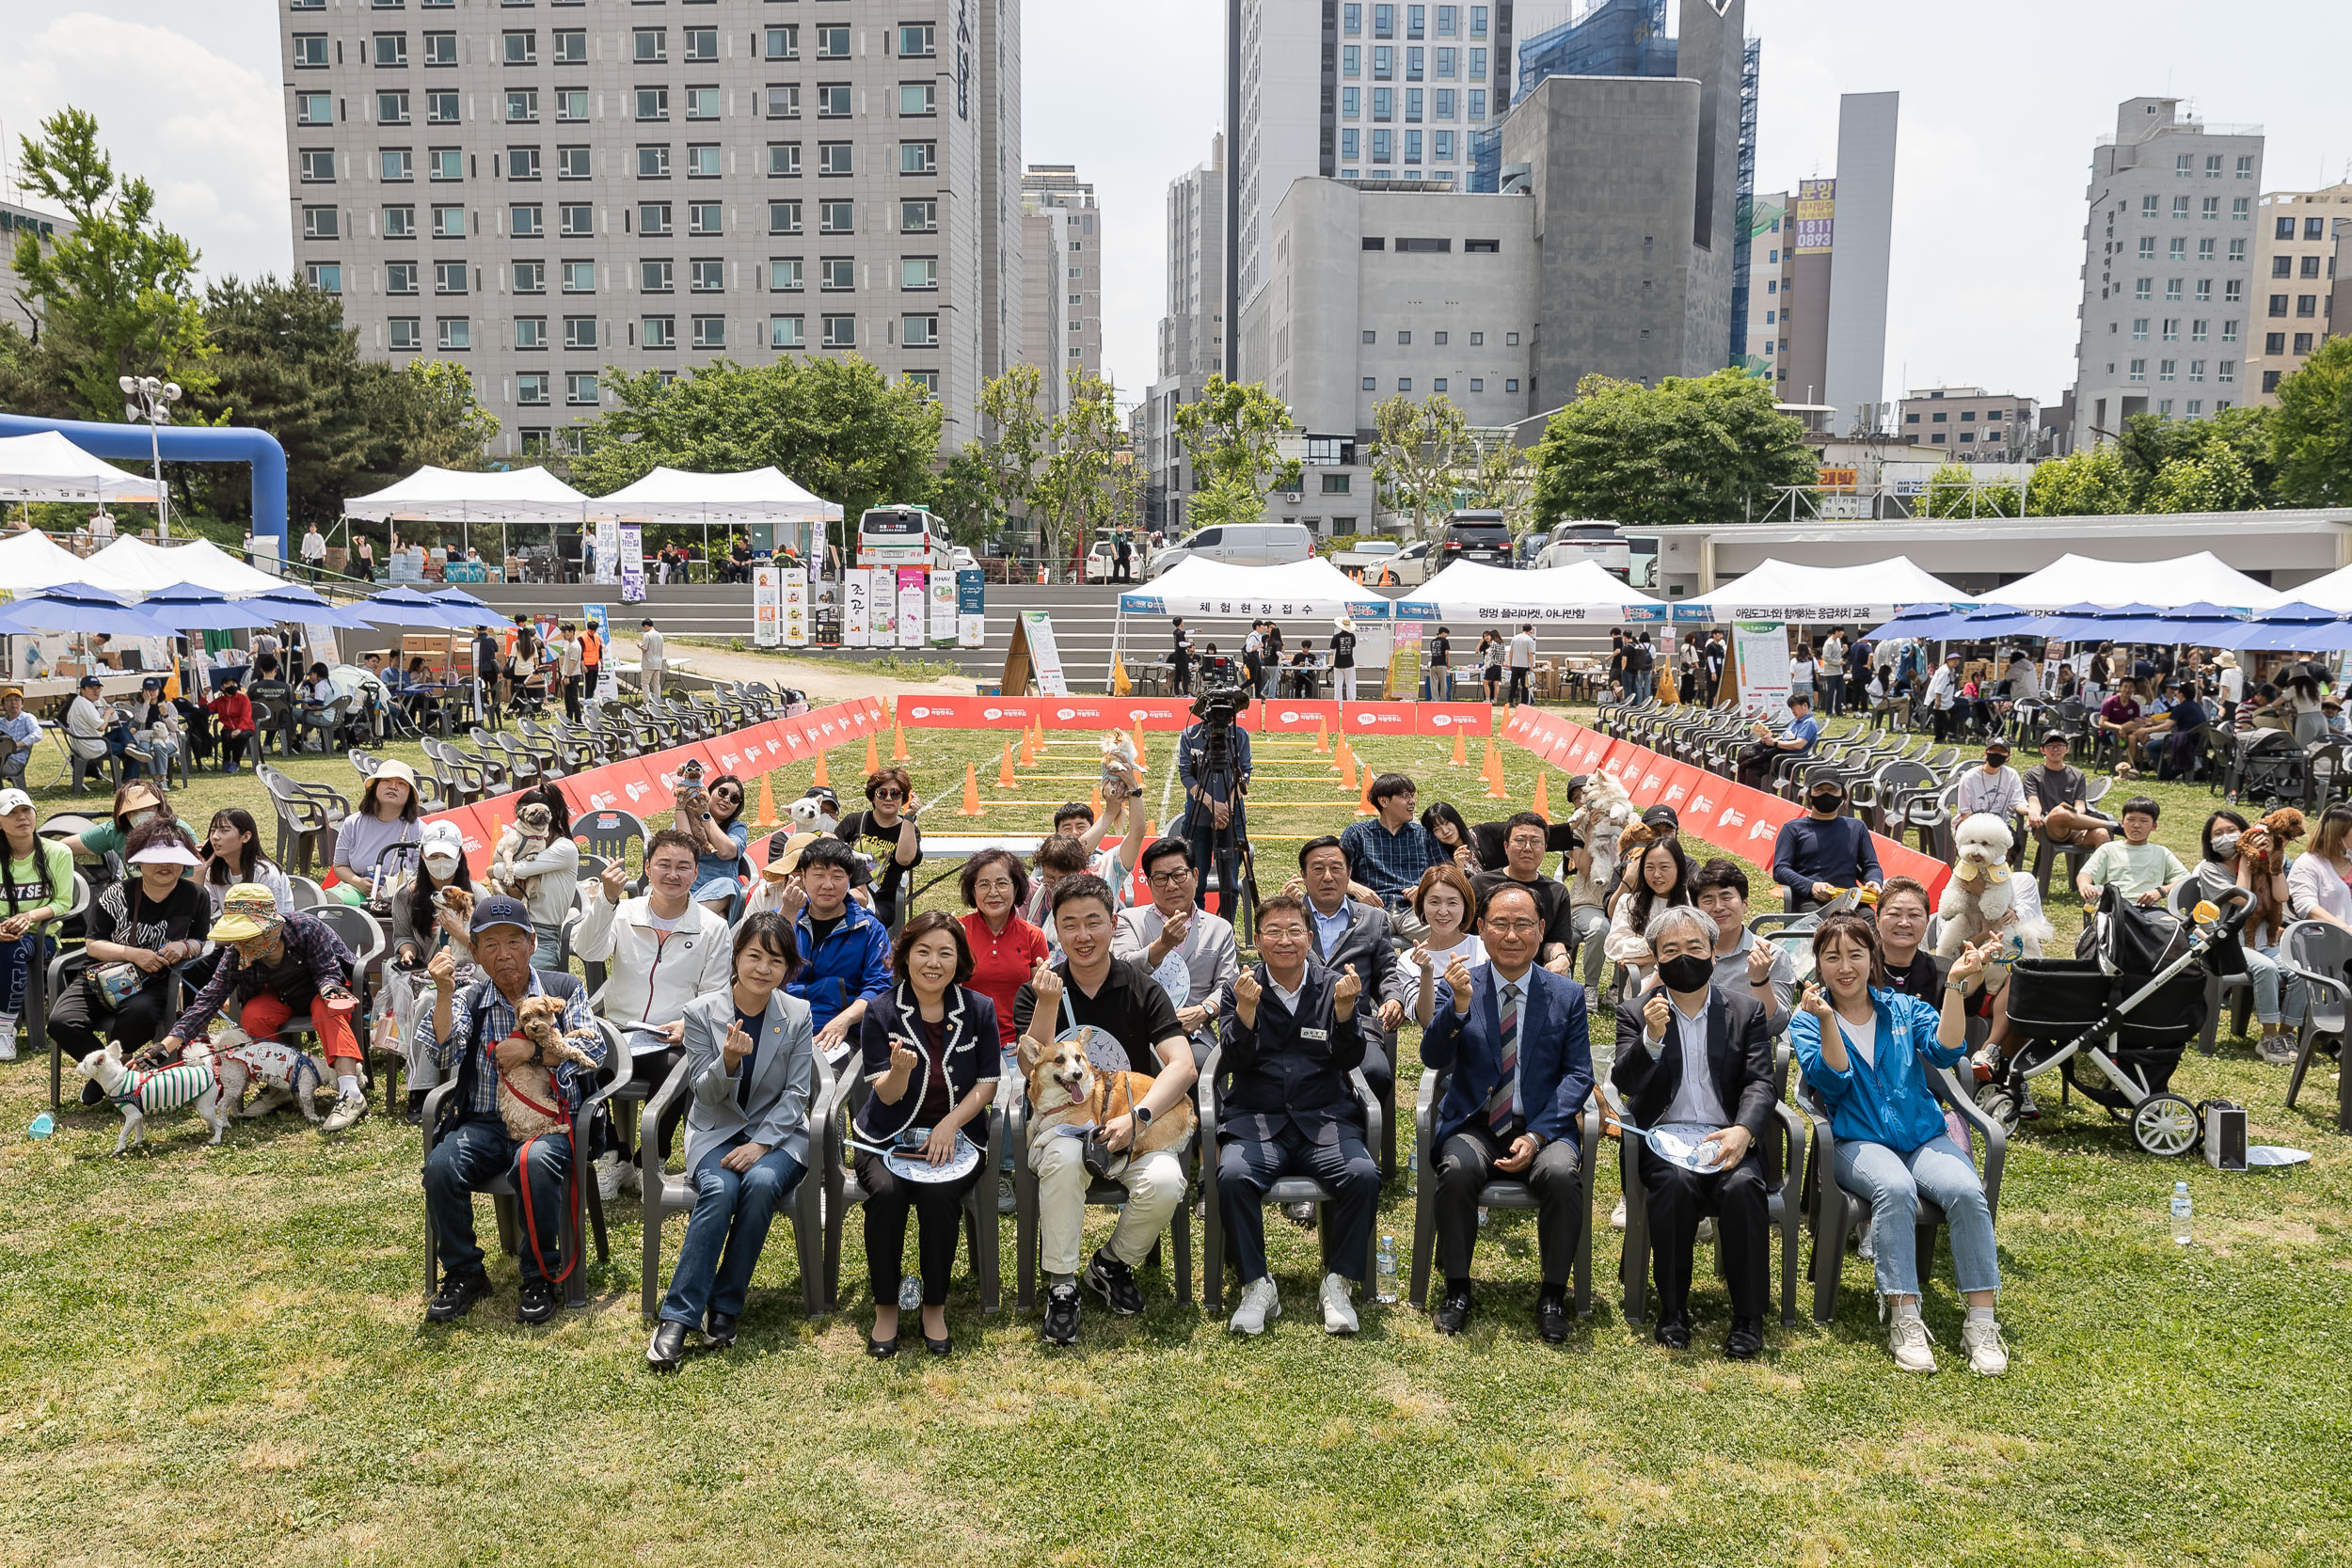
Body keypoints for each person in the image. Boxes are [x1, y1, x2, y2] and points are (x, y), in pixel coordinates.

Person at [1788, 914, 2009, 1376]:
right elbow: (1832, 1078)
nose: (1844, 967)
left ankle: (1982, 1323)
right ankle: (1904, 1316)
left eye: (1855, 955)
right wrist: (1828, 1020)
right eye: (1832, 957)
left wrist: (1953, 986)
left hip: (1922, 1135)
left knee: (1967, 1192)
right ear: (1819, 965)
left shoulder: (1903, 1008)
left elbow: (1947, 1050)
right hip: (1856, 1141)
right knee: (1895, 1189)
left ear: (1873, 959)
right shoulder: (1808, 1020)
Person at [1012, 873, 1199, 1345]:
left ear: (1113, 924)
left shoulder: (1142, 988)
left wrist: (1138, 1119)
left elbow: (1182, 1067)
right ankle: (1062, 1285)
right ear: (1056, 930)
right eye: (1069, 924)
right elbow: (1029, 1065)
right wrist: (1049, 1002)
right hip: (1061, 1133)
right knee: (1063, 1156)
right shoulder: (1038, 989)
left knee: (1165, 1181)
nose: (1082, 935)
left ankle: (1110, 1264)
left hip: (1131, 1129)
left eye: (1093, 922)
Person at [419, 895, 607, 1326]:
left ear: (532, 941)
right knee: (442, 1165)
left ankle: (540, 1276)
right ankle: (464, 1273)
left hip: (550, 1123)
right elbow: (443, 1045)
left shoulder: (564, 988)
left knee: (533, 1162)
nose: (503, 955)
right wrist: (443, 994)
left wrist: (533, 1051)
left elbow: (593, 1045)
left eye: (513, 942)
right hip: (485, 1122)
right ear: (476, 952)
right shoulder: (471, 996)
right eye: (490, 945)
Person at [644, 911, 818, 1370]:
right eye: (754, 956)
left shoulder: (797, 1014)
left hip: (779, 1137)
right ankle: (678, 1318)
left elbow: (799, 1092)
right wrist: (728, 1061)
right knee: (721, 1189)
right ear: (736, 956)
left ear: (788, 968)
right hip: (715, 1132)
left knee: (761, 1183)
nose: (763, 969)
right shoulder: (702, 1012)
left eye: (775, 961)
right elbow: (703, 1092)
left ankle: (725, 1305)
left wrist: (762, 1144)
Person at [1422, 881, 1592, 1341]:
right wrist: (1456, 1009)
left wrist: (1536, 1136)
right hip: (1476, 1124)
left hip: (1544, 1129)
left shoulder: (1566, 995)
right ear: (1482, 928)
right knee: (1456, 1170)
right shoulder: (1460, 983)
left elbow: (1578, 1076)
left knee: (1561, 1175)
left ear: (1541, 931)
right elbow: (1433, 1058)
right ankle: (1458, 1287)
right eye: (1500, 924)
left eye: (1523, 925)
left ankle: (1554, 1292)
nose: (1511, 935)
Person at [1214, 893, 1379, 1338]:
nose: (1284, 940)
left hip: (1324, 1120)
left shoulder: (1334, 985)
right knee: (1231, 1176)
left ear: (1309, 938)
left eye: (1293, 932)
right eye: (1273, 931)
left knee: (1363, 1174)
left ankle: (1338, 1281)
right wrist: (1245, 1013)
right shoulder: (1239, 988)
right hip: (1257, 1120)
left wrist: (1346, 1014)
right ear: (1258, 940)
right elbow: (1233, 1061)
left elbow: (1350, 1058)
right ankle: (1256, 1283)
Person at [1613, 904, 1775, 1356]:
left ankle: (1748, 1317)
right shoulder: (1636, 1012)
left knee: (1743, 1188)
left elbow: (1761, 1081)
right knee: (1674, 1186)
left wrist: (1743, 1131)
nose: (1684, 956)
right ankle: (1672, 1309)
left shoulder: (1744, 1011)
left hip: (1727, 1138)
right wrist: (1650, 1037)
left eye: (1694, 947)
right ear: (1657, 959)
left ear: (1711, 952)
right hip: (1666, 1142)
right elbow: (1625, 1084)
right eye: (1671, 950)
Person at [852, 911, 1000, 1357]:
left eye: (945, 953)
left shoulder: (978, 1009)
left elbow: (988, 1082)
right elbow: (888, 1096)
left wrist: (950, 1124)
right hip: (886, 1137)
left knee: (940, 1198)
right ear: (905, 955)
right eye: (923, 951)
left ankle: (934, 1305)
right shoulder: (880, 1011)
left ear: (960, 960)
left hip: (957, 1137)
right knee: (886, 1192)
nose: (933, 962)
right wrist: (898, 1071)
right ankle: (886, 1306)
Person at [573, 829, 735, 1187]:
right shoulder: (624, 912)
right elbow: (589, 951)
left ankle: (652, 1161)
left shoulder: (713, 928)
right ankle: (613, 1154)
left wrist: (685, 1024)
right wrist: (606, 901)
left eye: (683, 867)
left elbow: (716, 992)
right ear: (647, 868)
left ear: (696, 874)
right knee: (580, 1062)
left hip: (671, 1035)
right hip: (620, 1030)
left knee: (678, 1068)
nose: (673, 874)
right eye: (663, 864)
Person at [160, 884, 368, 1132]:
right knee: (254, 1014)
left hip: (322, 990)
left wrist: (329, 989)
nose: (243, 943)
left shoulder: (307, 928)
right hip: (282, 996)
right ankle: (278, 1086)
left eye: (249, 934)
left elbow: (327, 972)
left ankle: (350, 1093)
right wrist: (165, 1046)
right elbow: (208, 999)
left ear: (272, 925)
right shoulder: (235, 954)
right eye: (239, 936)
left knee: (328, 1010)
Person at [49, 820, 209, 1074]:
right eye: (155, 859)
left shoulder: (197, 896)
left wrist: (183, 947)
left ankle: (113, 1074)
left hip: (153, 981)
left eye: (173, 858)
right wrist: (132, 954)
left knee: (140, 1012)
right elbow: (93, 945)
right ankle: (113, 1075)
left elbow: (201, 940)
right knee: (61, 1022)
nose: (165, 866)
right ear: (138, 862)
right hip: (100, 975)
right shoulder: (115, 894)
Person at [1293, 836, 1408, 1123]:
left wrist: (1393, 997)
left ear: (1349, 873)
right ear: (1304, 877)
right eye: (1317, 869)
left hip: (1357, 1025)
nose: (1328, 877)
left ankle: (1352, 1134)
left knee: (1376, 1074)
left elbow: (1387, 971)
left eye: (1336, 868)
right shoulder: (1289, 918)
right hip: (1298, 1025)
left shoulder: (1373, 919)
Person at [2185, 810, 2303, 1065]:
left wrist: (2273, 859)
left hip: (2265, 941)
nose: (2225, 837)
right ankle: (2268, 1036)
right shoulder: (2210, 869)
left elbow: (2282, 897)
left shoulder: (2267, 860)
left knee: (2300, 970)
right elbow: (2243, 898)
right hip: (2229, 943)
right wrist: (2249, 860)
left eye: (2231, 830)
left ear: (2244, 830)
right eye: (2218, 834)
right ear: (2210, 841)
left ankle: (2286, 1034)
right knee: (2266, 968)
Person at [1112, 837, 1240, 1069]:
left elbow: (1228, 985)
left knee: (1199, 1064)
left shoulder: (1219, 928)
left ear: (1196, 876)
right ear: (1149, 884)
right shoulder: (1129, 920)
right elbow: (1122, 969)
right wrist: (1163, 944)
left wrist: (1204, 1010)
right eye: (1160, 878)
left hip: (1193, 1032)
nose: (1171, 886)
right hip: (1139, 1029)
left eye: (1179, 875)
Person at [773, 836, 894, 1054]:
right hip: (778, 1026)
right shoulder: (781, 918)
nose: (827, 885)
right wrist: (786, 917)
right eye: (818, 875)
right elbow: (759, 969)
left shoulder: (870, 929)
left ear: (849, 879)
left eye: (837, 876)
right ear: (802, 877)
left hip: (840, 1033)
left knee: (822, 1083)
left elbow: (879, 987)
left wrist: (844, 1020)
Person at [958, 847, 1050, 1068]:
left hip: (1015, 1049)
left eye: (1001, 883)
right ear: (973, 890)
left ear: (1016, 887)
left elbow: (1041, 1000)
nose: (993, 892)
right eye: (983, 885)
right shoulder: (957, 931)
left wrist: (1026, 1042)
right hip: (967, 1044)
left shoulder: (1033, 936)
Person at [0, 788, 73, 1059]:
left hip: (40, 935)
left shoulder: (58, 852)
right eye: (12, 813)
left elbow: (63, 903)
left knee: (12, 948)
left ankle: (4, 1029)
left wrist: (28, 917)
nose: (22, 818)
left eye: (26, 811)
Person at [1689, 859, 1796, 1033]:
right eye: (1708, 900)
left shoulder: (1772, 955)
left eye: (1726, 897)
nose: (1718, 907)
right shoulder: (1684, 953)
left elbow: (1778, 1024)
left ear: (1745, 904)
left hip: (1745, 1049)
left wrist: (1760, 980)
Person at [1340, 773, 1451, 936]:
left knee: (1446, 931)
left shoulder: (1423, 835)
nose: (1412, 801)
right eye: (1405, 796)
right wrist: (1354, 888)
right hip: (1373, 909)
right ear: (1384, 801)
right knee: (1358, 936)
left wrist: (1425, 888)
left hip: (1415, 910)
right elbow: (1335, 873)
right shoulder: (1357, 834)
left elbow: (1446, 872)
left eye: (1413, 796)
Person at [1471, 810, 1581, 975]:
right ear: (1506, 846)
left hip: (1533, 973)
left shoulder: (1557, 893)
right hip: (1484, 967)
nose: (1527, 848)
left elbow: (1554, 942)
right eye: (1520, 840)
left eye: (1535, 842)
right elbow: (1466, 935)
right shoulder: (1479, 884)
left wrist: (1561, 957)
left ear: (1545, 848)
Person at [1177, 691, 1252, 913]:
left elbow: (1245, 774)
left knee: (1230, 883)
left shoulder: (1240, 736)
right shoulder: (1190, 735)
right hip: (1198, 818)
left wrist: (1226, 807)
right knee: (1195, 881)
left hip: (1232, 818)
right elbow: (1186, 776)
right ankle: (1195, 931)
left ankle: (1226, 932)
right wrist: (1212, 805)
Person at [1771, 776, 1882, 913]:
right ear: (1810, 795)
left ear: (1842, 795)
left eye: (1832, 790)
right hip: (1810, 900)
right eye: (1819, 790)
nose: (1826, 794)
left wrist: (1874, 880)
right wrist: (1811, 886)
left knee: (1868, 918)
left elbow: (1871, 866)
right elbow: (1780, 869)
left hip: (1850, 898)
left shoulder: (1857, 827)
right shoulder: (1792, 829)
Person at [502, 784, 580, 969]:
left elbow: (514, 870)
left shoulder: (564, 848)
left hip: (544, 937)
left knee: (522, 981)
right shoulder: (524, 843)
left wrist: (501, 869)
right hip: (511, 930)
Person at [1399, 863, 1487, 1026]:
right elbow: (1427, 1022)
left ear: (1465, 906)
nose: (1443, 911)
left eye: (1452, 903)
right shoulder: (1408, 961)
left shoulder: (1484, 948)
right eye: (1434, 902)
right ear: (1422, 905)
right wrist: (1426, 972)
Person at [1603, 837, 1694, 993]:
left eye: (1664, 867)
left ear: (1679, 868)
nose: (1656, 874)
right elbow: (1614, 945)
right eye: (1650, 867)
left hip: (1688, 980)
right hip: (1644, 983)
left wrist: (1647, 958)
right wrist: (1654, 947)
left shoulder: (1692, 902)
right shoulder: (1630, 902)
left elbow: (1696, 950)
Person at [838, 767, 923, 929]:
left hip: (882, 902)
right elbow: (832, 849)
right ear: (873, 796)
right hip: (849, 891)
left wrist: (909, 817)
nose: (889, 798)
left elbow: (904, 860)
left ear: (903, 798)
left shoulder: (908, 829)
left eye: (896, 793)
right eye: (882, 793)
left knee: (859, 918)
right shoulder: (855, 821)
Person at [331, 758, 423, 897]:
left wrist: (389, 893)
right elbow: (339, 866)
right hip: (358, 897)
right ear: (374, 788)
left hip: (401, 901)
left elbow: (422, 878)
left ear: (409, 794)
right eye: (386, 781)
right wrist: (358, 882)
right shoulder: (352, 823)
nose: (393, 786)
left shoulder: (419, 830)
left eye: (401, 783)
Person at [2076, 796, 2186, 910]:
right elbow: (2086, 874)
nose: (2136, 825)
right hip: (2116, 910)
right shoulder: (2108, 849)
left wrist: (2161, 891)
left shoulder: (2161, 852)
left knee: (2175, 926)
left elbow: (2185, 880)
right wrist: (2085, 885)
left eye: (2143, 821)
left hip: (2150, 910)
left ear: (2154, 826)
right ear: (2122, 822)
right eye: (2131, 820)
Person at [2023, 732, 2111, 853]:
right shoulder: (2032, 775)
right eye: (2050, 746)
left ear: (2067, 749)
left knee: (2102, 833)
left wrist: (2072, 818)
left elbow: (2080, 805)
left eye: (2060, 745)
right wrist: (2035, 814)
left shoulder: (2078, 775)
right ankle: (2112, 825)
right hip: (2047, 826)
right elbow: (2034, 801)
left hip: (2074, 827)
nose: (2055, 749)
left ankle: (2098, 871)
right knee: (2059, 812)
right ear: (2042, 750)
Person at [681, 772, 752, 916]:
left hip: (720, 891)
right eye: (723, 792)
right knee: (719, 918)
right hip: (687, 888)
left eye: (734, 798)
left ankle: (685, 922)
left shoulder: (737, 828)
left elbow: (726, 851)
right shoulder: (688, 820)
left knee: (728, 885)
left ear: (737, 806)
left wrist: (705, 817)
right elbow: (676, 849)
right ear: (709, 792)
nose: (726, 799)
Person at [1871, 877, 1945, 1000]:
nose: (1904, 923)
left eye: (1914, 915)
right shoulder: (1857, 968)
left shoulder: (1944, 972)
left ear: (1927, 921)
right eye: (1894, 914)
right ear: (1877, 920)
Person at [2288, 802, 2352, 930]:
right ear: (2338, 835)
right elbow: (2307, 906)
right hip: (2329, 940)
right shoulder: (2308, 864)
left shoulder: (2348, 859)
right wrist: (2345, 929)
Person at [1738, 691, 1819, 788]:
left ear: (1805, 705)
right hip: (1779, 755)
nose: (1793, 711)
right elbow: (1784, 737)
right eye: (1791, 708)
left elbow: (1799, 744)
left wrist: (1775, 743)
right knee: (1745, 765)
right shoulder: (1796, 722)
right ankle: (1744, 794)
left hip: (1788, 760)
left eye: (1794, 708)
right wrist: (1769, 739)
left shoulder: (1808, 723)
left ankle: (1754, 799)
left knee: (1751, 770)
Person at [126, 676, 182, 787]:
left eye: (154, 690)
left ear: (159, 690)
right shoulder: (139, 705)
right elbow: (140, 720)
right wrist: (146, 703)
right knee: (146, 749)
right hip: (146, 738)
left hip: (167, 739)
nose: (151, 692)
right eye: (148, 690)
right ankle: (156, 779)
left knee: (158, 747)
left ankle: (163, 779)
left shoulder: (168, 705)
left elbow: (174, 728)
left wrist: (165, 715)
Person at [1956, 739, 2026, 822]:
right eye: (1993, 750)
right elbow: (1965, 812)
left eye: (2001, 752)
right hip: (1973, 824)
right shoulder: (1969, 777)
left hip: (2001, 824)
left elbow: (2018, 802)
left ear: (2008, 757)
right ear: (1986, 753)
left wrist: (2030, 811)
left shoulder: (2011, 775)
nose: (1997, 754)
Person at [64, 673, 117, 777]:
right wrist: (108, 712)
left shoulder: (78, 702)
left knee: (121, 732)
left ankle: (131, 745)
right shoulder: (85, 704)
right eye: (92, 688)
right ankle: (127, 779)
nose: (96, 691)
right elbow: (101, 727)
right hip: (92, 748)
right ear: (82, 690)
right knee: (128, 750)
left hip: (86, 744)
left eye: (98, 688)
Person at [0, 685, 37, 792]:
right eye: (9, 700)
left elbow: (37, 734)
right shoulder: (1, 722)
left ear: (22, 704)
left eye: (17, 700)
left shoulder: (27, 718)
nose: (13, 703)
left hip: (16, 761)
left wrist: (16, 745)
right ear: (3, 704)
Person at [1924, 653, 1966, 741]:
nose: (1956, 662)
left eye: (1957, 660)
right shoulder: (1944, 671)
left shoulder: (1952, 670)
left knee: (1954, 712)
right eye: (1954, 660)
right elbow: (1938, 687)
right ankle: (1939, 738)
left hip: (1946, 699)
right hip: (1937, 698)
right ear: (1948, 660)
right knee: (1939, 719)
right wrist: (1938, 701)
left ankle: (1951, 734)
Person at [1506, 623, 1537, 705]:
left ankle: (1510, 701)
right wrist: (1531, 665)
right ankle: (1523, 702)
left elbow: (1511, 652)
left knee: (1513, 685)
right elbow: (1530, 654)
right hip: (1524, 666)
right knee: (1525, 686)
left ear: (1522, 629)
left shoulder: (1514, 638)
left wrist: (1510, 663)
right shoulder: (1529, 640)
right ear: (1530, 630)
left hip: (1515, 665)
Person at [1819, 630, 1847, 717]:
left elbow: (1837, 654)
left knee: (1840, 691)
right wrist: (1838, 663)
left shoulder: (1838, 641)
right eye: (1841, 632)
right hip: (1831, 671)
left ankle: (1839, 711)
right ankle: (1829, 711)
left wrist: (1844, 651)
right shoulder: (1829, 643)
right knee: (1830, 692)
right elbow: (1826, 658)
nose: (1843, 634)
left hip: (1839, 671)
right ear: (1836, 632)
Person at [638, 618, 665, 704]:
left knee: (645, 683)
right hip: (658, 663)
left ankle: (646, 703)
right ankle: (658, 702)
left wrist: (639, 645)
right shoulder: (660, 635)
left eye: (644, 628)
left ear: (646, 626)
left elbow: (644, 649)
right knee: (656, 684)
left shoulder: (647, 635)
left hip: (648, 663)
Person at [1168, 616, 1193, 695]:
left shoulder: (1176, 632)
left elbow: (1185, 632)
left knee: (1178, 675)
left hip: (1177, 655)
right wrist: (1189, 644)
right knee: (1186, 675)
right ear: (1180, 623)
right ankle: (1186, 693)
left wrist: (1195, 630)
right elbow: (1181, 644)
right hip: (1182, 656)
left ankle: (1177, 693)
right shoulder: (1179, 633)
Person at [1427, 625, 1452, 701]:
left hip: (1433, 664)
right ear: (1443, 633)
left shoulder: (1432, 641)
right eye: (1447, 634)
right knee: (1443, 683)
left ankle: (1435, 700)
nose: (1447, 635)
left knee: (1434, 683)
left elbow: (1432, 652)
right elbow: (1446, 653)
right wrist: (1448, 663)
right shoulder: (1445, 641)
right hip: (1441, 664)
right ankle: (1443, 700)